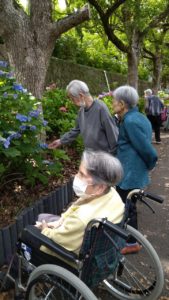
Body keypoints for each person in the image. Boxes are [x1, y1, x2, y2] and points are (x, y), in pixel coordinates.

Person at [36, 150, 125, 258]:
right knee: (43, 217)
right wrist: (60, 221)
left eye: (82, 174)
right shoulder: (113, 194)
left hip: (70, 255)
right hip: (96, 245)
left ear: (100, 187)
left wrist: (45, 230)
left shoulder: (81, 218)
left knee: (29, 232)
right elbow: (76, 207)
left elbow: (59, 240)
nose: (75, 176)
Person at [112, 85, 158, 254]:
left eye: (114, 101)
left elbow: (148, 151)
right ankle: (130, 238)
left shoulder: (130, 121)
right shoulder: (138, 117)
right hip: (132, 172)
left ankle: (132, 243)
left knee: (127, 207)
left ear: (122, 103)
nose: (112, 103)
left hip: (130, 174)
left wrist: (151, 164)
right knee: (129, 206)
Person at [48, 80, 118, 155]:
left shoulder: (101, 108)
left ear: (81, 96)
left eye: (72, 98)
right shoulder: (81, 111)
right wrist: (61, 141)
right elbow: (76, 130)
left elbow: (113, 135)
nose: (71, 101)